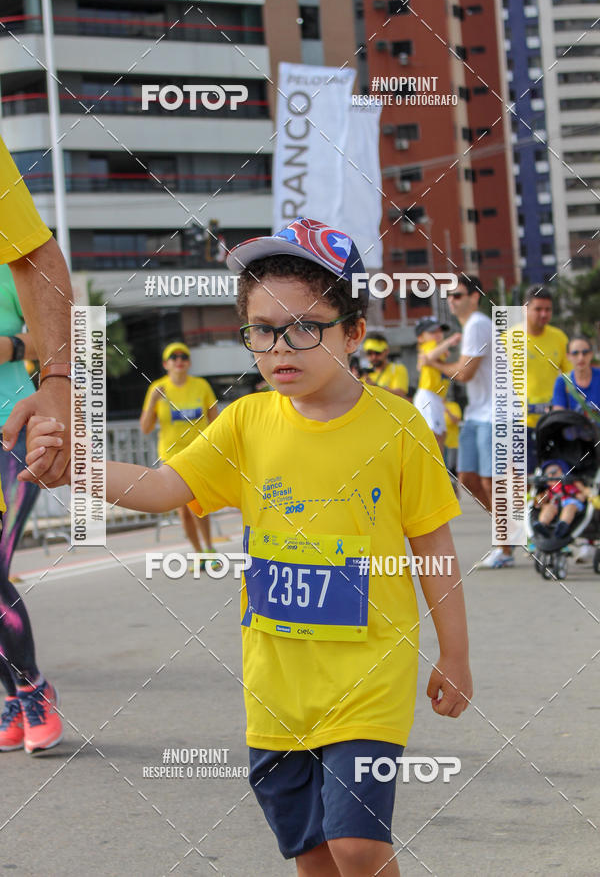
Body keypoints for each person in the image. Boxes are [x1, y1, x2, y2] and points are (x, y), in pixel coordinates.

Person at [25, 218, 472, 876]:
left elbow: (433, 546)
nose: (280, 347)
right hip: (275, 688)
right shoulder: (245, 422)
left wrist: (455, 654)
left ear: (353, 332)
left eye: (304, 328)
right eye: (262, 329)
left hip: (370, 679)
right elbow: (163, 486)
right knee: (312, 854)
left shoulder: (399, 426)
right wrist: (78, 468)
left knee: (356, 843)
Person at [0, 136, 76, 752]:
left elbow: (31, 333)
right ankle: (11, 695)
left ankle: (31, 688)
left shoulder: (7, 264)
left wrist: (56, 386)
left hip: (8, 427)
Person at [420, 276, 513, 567]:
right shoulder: (469, 327)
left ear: (475, 297)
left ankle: (505, 548)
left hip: (497, 412)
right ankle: (510, 530)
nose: (452, 300)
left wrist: (433, 363)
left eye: (458, 295)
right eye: (449, 296)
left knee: (490, 481)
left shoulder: (477, 324)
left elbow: (464, 373)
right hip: (476, 412)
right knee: (468, 479)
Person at [140, 342, 218, 563]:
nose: (179, 361)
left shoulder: (201, 385)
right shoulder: (157, 388)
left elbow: (215, 421)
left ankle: (209, 548)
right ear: (166, 364)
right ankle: (198, 553)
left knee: (198, 505)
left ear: (189, 362)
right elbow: (145, 428)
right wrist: (153, 401)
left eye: (183, 357)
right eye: (173, 358)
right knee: (183, 511)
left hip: (198, 454)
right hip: (171, 457)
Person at [516, 285, 569, 471]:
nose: (544, 314)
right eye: (538, 309)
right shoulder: (508, 339)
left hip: (552, 422)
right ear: (525, 309)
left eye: (548, 309)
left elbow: (570, 379)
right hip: (520, 424)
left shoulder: (559, 338)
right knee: (522, 479)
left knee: (554, 476)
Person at [413, 317, 460, 449]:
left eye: (440, 330)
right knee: (434, 437)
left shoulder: (435, 348)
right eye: (432, 331)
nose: (438, 334)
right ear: (420, 338)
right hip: (428, 395)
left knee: (440, 436)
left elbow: (424, 362)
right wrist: (449, 341)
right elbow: (429, 357)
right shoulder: (430, 346)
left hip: (436, 397)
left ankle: (438, 462)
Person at [533, 459, 592, 540]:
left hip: (571, 501)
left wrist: (584, 495)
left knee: (569, 508)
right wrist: (539, 501)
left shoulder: (573, 482)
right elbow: (542, 499)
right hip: (555, 504)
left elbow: (585, 491)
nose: (550, 476)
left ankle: (563, 525)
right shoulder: (550, 489)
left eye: (553, 472)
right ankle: (542, 524)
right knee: (548, 508)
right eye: (547, 475)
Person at [551, 336, 600, 418]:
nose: (581, 358)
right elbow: (558, 415)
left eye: (585, 352)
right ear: (568, 356)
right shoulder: (562, 381)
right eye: (575, 353)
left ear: (591, 354)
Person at [443, 395, 463, 495]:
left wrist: (447, 411)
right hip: (439, 443)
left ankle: (453, 491)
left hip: (452, 443)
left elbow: (456, 420)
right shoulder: (433, 405)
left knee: (450, 469)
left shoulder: (453, 405)